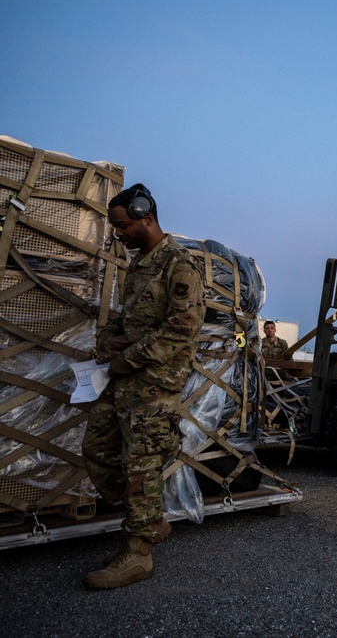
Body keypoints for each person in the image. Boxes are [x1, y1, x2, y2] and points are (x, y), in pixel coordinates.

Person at [81, 183, 205, 589]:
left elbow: (180, 332)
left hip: (153, 387)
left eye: (122, 226)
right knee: (97, 448)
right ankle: (149, 521)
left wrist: (125, 359)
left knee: (140, 467)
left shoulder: (179, 265)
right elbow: (129, 318)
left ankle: (139, 553)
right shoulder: (139, 265)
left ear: (145, 217)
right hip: (123, 380)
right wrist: (108, 339)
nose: (118, 234)